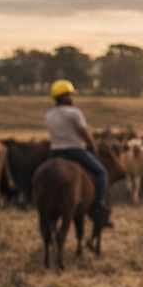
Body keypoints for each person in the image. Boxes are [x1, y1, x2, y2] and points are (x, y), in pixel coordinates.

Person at [45, 79, 112, 228]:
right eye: (69, 95)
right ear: (63, 96)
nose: (72, 98)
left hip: (55, 153)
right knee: (102, 173)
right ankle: (99, 203)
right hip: (74, 151)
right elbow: (84, 133)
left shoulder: (49, 115)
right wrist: (93, 146)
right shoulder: (75, 113)